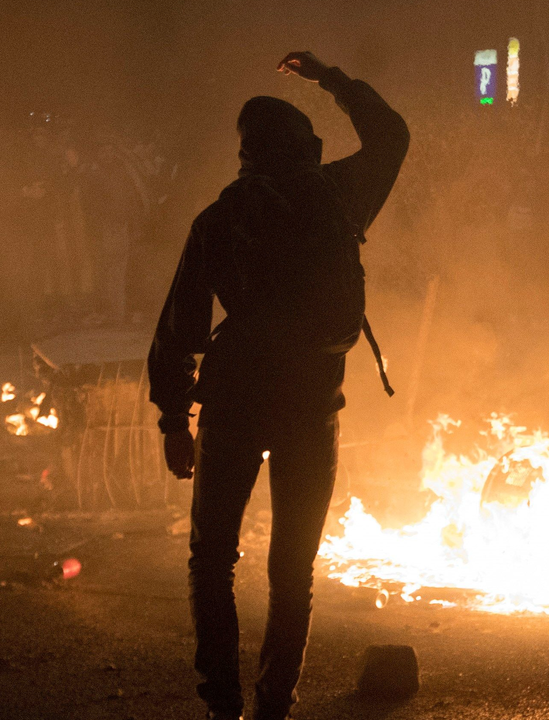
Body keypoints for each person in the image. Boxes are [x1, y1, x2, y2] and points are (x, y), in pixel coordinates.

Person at [148, 51, 409, 720]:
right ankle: (272, 707)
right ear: (306, 146)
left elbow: (181, 324)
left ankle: (222, 704)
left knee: (213, 561)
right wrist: (330, 77)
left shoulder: (221, 217)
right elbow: (394, 136)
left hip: (232, 406)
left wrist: (175, 420)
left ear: (246, 152)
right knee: (293, 570)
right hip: (311, 409)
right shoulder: (339, 195)